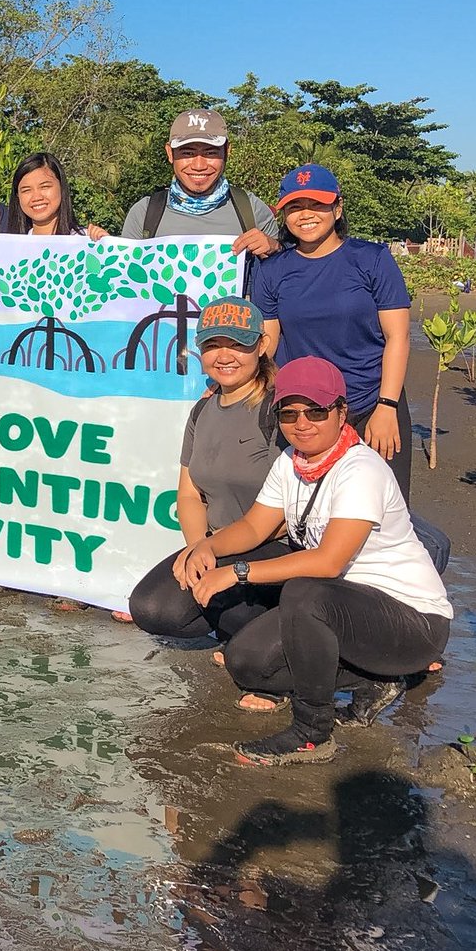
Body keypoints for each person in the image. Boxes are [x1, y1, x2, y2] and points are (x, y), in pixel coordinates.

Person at [178, 356, 452, 766]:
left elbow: (327, 562)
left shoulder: (361, 469)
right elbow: (254, 527)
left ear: (342, 413)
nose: (301, 422)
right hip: (349, 609)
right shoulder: (290, 462)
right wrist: (207, 547)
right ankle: (379, 679)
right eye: (289, 412)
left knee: (305, 593)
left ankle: (312, 733)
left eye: (316, 411)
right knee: (246, 662)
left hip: (412, 622)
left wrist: (236, 571)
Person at [129, 298, 290, 704]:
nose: (225, 355)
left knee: (230, 604)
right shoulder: (202, 409)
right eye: (213, 344)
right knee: (151, 607)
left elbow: (294, 507)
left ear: (262, 347)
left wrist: (213, 554)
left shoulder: (281, 409)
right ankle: (243, 635)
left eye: (237, 344)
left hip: (277, 546)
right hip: (216, 542)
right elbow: (188, 492)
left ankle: (277, 662)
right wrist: (196, 547)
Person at [253, 164, 413, 501]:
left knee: (380, 513)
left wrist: (387, 406)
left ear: (337, 208)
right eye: (295, 207)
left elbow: (398, 338)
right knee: (304, 515)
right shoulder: (272, 271)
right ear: (284, 215)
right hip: (304, 414)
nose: (306, 215)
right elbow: (268, 343)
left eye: (317, 204)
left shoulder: (372, 259)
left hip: (371, 403)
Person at [109, 110, 281, 263]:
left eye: (210, 152)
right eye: (188, 153)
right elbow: (126, 281)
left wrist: (275, 249)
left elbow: (286, 277)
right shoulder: (144, 214)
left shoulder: (252, 210)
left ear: (227, 152)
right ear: (170, 153)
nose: (199, 165)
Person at [4, 152, 86, 236]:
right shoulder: (11, 246)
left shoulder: (86, 241)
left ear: (61, 187)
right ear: (17, 195)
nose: (36, 197)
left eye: (44, 187)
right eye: (27, 190)